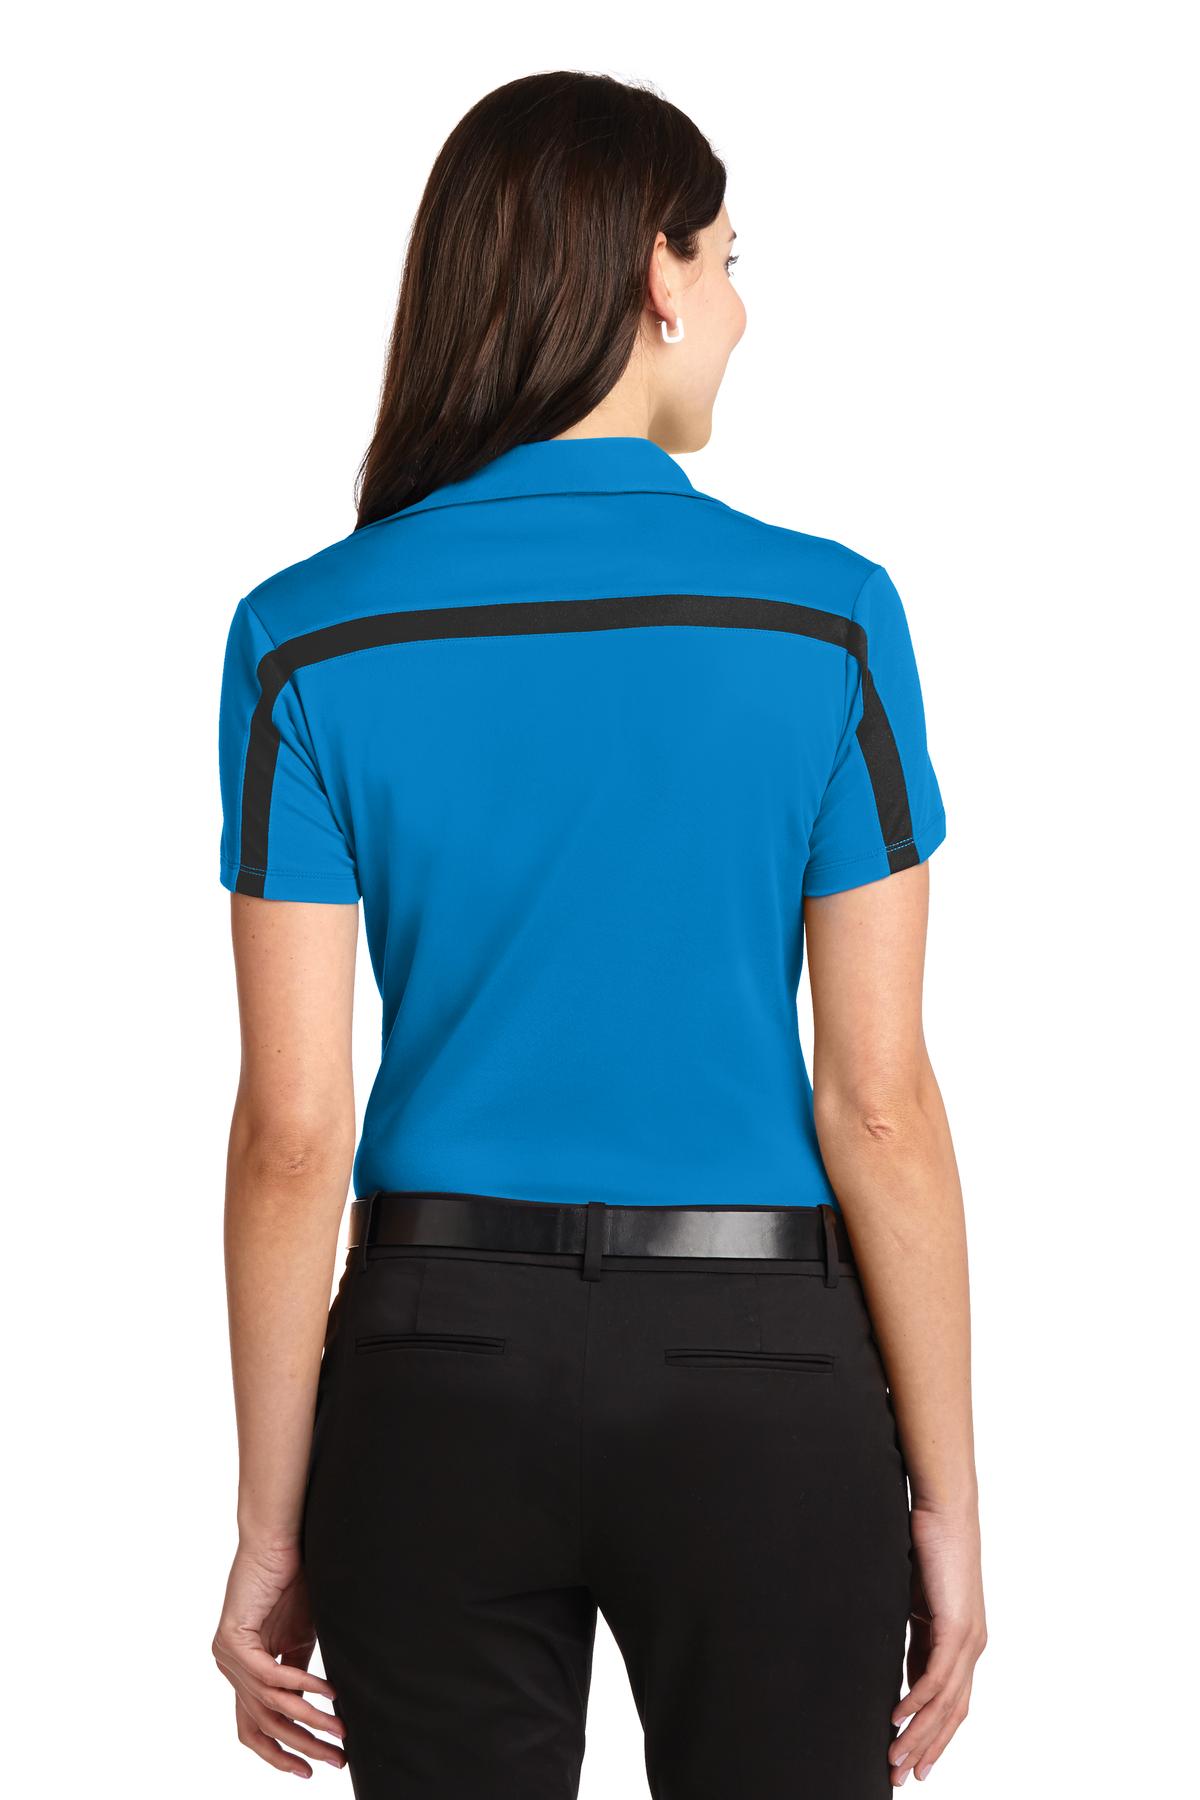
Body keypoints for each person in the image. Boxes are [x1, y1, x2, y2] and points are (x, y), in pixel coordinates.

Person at [210, 69, 985, 1800]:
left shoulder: (304, 637)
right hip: (759, 1375)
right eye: (728, 259)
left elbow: (292, 1137)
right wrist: (944, 1496)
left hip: (433, 1369)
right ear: (656, 274)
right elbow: (878, 1105)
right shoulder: (829, 622)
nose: (739, 309)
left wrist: (274, 1523)